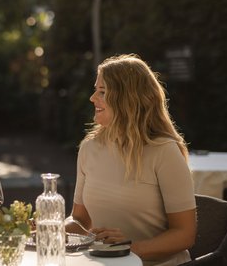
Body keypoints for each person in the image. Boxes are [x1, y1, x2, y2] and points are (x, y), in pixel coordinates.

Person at [65, 54, 196, 266]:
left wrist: (129, 250)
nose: (92, 98)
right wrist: (48, 228)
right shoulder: (90, 148)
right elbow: (80, 220)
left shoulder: (164, 152)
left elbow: (184, 234)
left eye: (102, 91)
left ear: (127, 99)